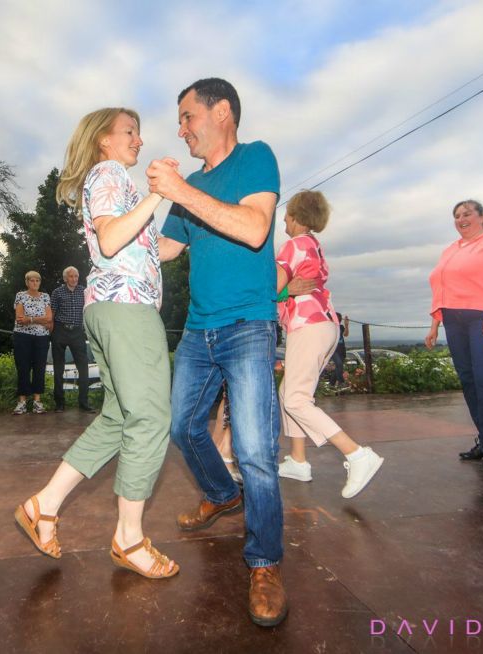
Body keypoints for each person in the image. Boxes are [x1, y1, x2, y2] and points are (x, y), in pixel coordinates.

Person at [146, 77, 287, 626]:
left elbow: (254, 229)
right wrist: (110, 233)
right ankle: (222, 494)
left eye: (187, 117)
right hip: (198, 329)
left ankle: (265, 561)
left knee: (255, 449)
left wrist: (181, 191)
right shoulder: (193, 187)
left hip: (249, 324)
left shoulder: (256, 158)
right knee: (182, 427)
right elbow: (166, 248)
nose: (180, 131)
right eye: (179, 122)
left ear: (222, 111)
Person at [15, 107, 178, 579]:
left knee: (118, 417)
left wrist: (186, 226)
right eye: (130, 131)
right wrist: (157, 193)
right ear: (103, 139)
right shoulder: (109, 173)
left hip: (106, 307)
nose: (139, 140)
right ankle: (129, 539)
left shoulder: (112, 182)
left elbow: (148, 248)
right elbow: (109, 240)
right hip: (127, 309)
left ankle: (43, 506)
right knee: (149, 416)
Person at [274, 191, 384, 498]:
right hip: (324, 324)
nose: (283, 219)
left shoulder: (294, 244)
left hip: (308, 326)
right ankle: (298, 460)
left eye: (286, 214)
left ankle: (356, 454)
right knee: (290, 394)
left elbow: (272, 287)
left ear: (296, 217)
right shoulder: (313, 245)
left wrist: (282, 293)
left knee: (295, 399)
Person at [425, 200, 483, 474]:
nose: (461, 219)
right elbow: (441, 288)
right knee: (467, 379)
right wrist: (435, 324)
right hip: (452, 319)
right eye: (456, 216)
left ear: (481, 217)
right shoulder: (450, 250)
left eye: (467, 214)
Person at [49, 266, 93, 413]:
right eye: (71, 276)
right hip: (60, 331)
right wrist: (52, 332)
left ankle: (83, 403)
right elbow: (52, 314)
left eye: (76, 276)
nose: (74, 279)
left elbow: (90, 309)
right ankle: (60, 403)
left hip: (77, 332)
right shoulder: (57, 292)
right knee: (59, 368)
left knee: (83, 367)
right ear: (65, 278)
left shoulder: (84, 291)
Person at [12, 271, 53, 414]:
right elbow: (20, 319)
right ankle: (22, 402)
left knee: (39, 368)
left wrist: (30, 319)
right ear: (27, 282)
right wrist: (39, 319)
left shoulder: (46, 297)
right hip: (22, 336)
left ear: (40, 283)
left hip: (41, 337)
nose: (35, 283)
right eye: (32, 280)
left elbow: (49, 319)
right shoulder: (20, 296)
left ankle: (37, 401)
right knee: (23, 367)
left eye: (37, 280)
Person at [327, 312, 349, 387]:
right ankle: (341, 382)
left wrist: (346, 325)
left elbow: (346, 334)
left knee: (338, 367)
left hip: (341, 350)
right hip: (333, 350)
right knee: (339, 364)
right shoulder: (329, 327)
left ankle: (331, 385)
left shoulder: (341, 327)